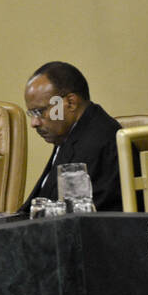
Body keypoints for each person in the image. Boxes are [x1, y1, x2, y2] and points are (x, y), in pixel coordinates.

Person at [19, 61, 123, 213]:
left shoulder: (99, 141)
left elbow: (87, 218)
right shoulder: (71, 134)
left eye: (40, 111)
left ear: (71, 103)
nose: (34, 123)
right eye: (32, 114)